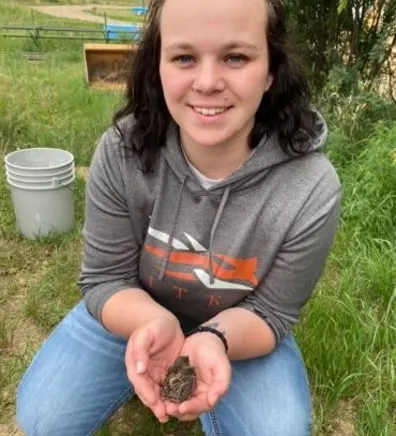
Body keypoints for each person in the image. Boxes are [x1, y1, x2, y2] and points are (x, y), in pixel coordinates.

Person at [16, 0, 342, 434]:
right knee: (42, 421)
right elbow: (104, 279)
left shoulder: (311, 188)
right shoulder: (121, 152)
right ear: (159, 66)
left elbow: (271, 313)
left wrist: (216, 339)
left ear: (270, 72)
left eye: (236, 57)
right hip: (134, 308)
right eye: (184, 57)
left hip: (237, 326)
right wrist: (153, 323)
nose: (207, 82)